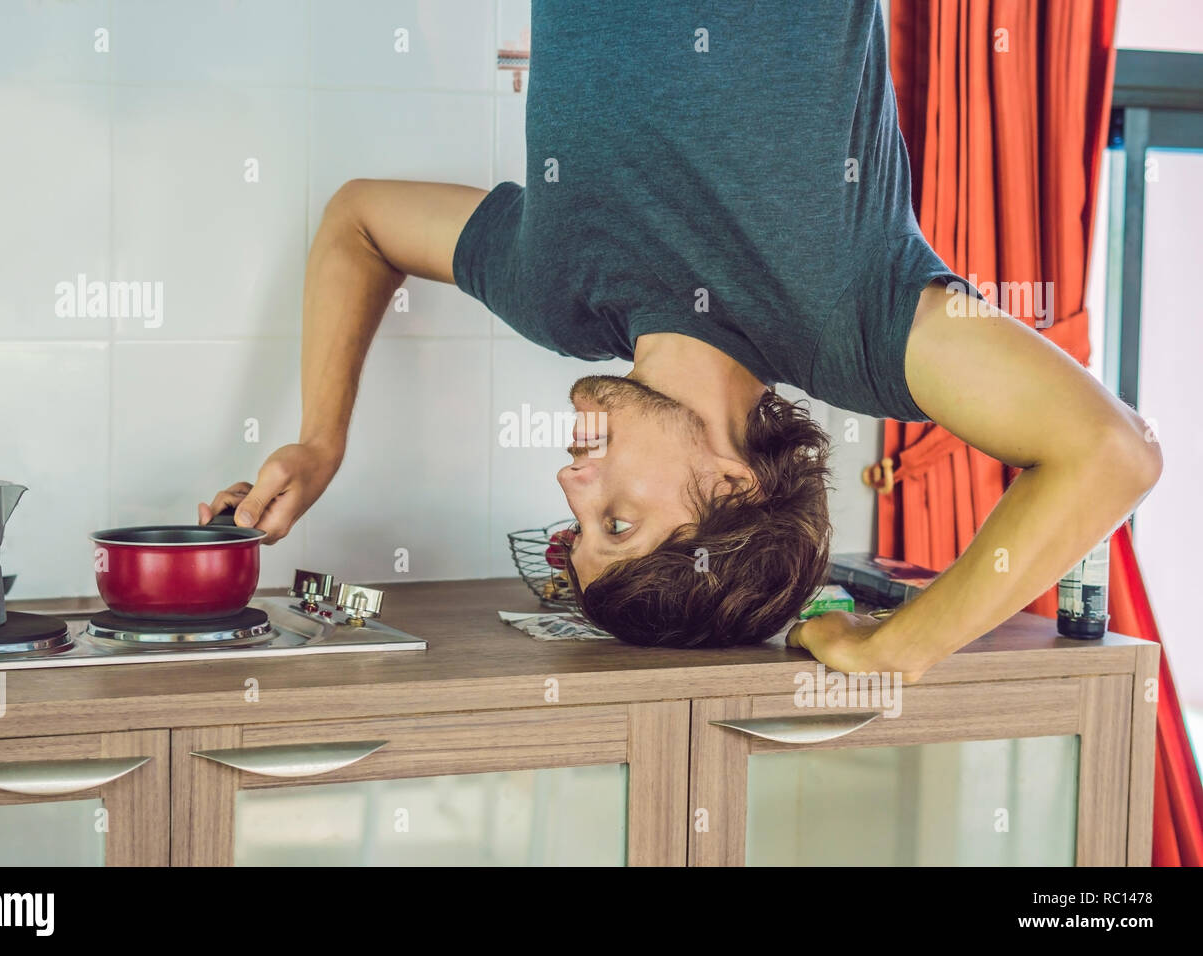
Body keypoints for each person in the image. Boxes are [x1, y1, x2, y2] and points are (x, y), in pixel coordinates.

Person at [200, 1, 1160, 681]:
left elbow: (360, 221)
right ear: (734, 487)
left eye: (582, 532)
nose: (573, 488)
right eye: (621, 524)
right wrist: (895, 649)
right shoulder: (855, 328)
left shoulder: (555, 295)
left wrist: (321, 440)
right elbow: (1113, 454)